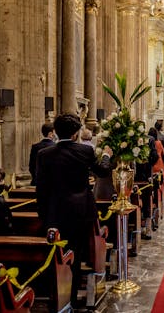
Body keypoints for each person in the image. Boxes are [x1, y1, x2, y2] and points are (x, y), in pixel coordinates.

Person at [36, 113, 113, 308]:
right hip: (80, 211)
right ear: (75, 134)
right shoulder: (84, 151)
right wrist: (106, 155)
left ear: (56, 132)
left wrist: (44, 215)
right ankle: (69, 298)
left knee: (55, 254)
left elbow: (41, 188)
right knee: (75, 254)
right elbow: (102, 171)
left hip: (55, 211)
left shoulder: (44, 154)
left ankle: (55, 295)